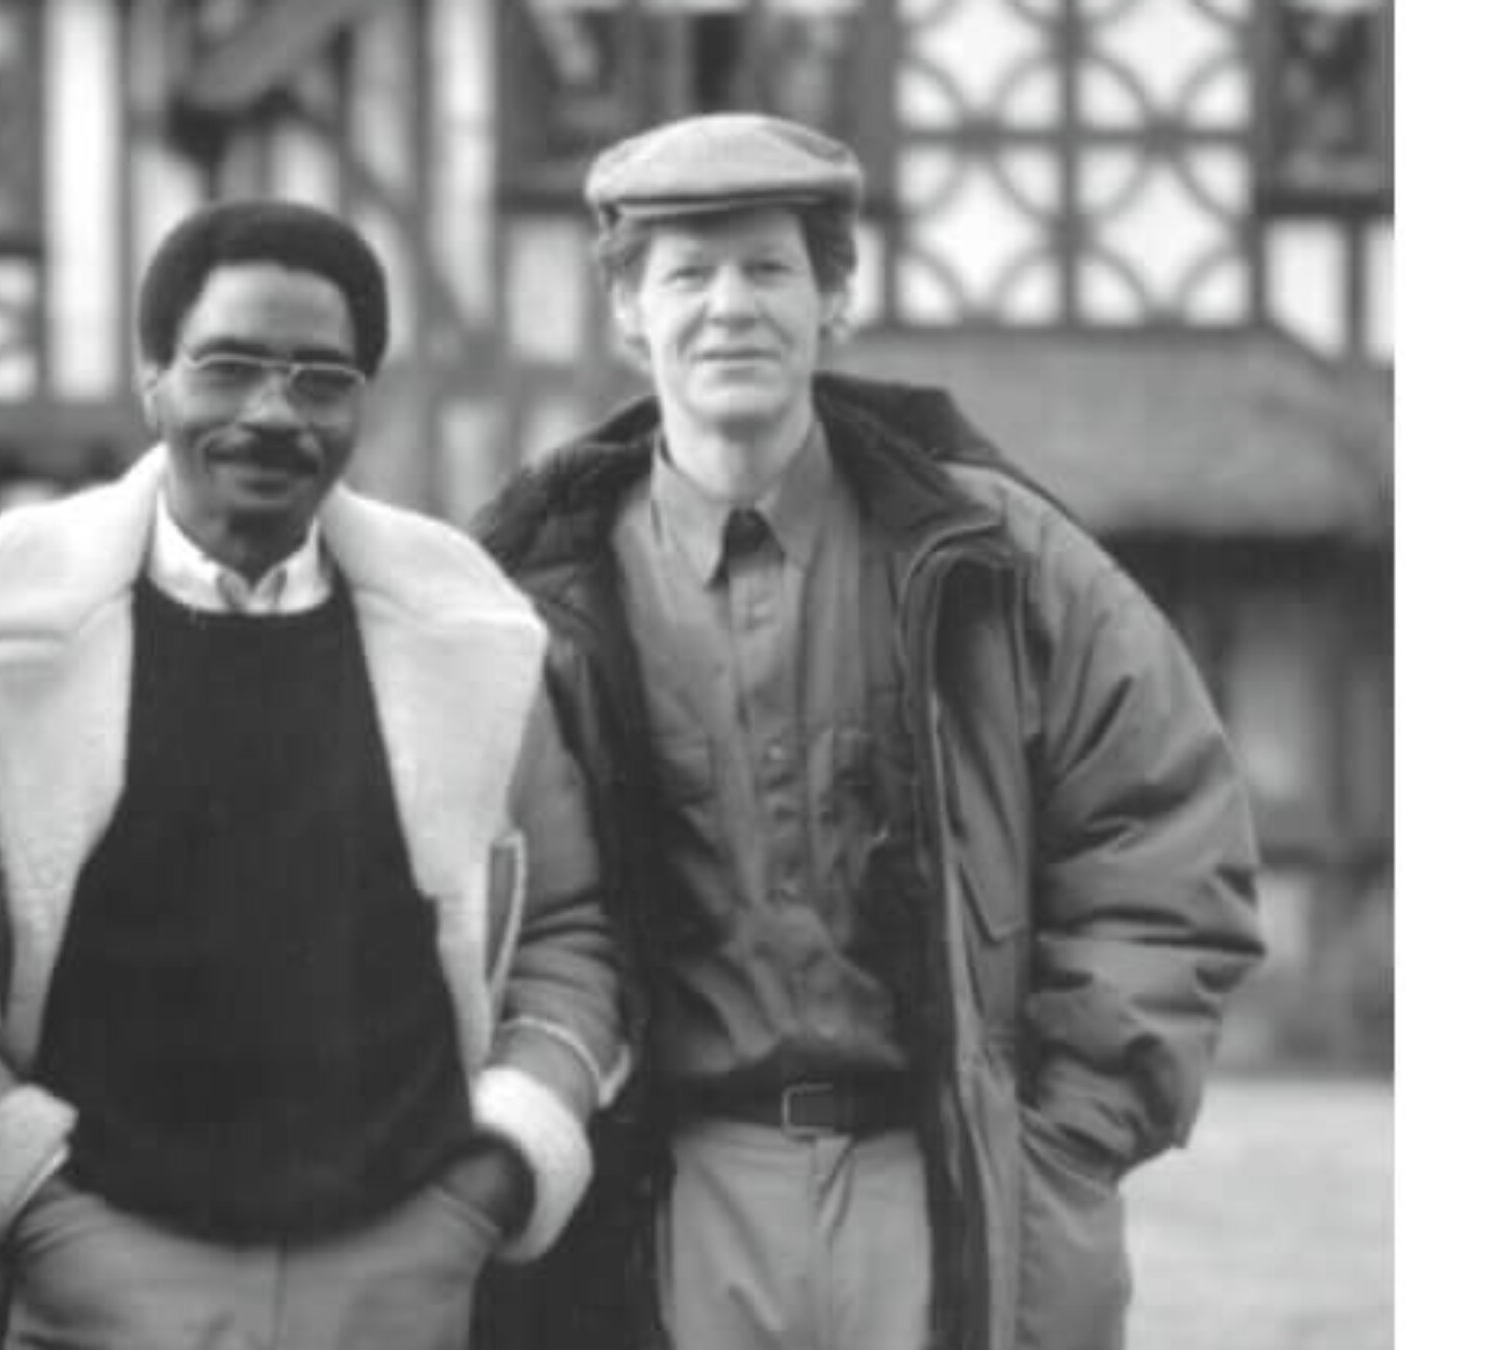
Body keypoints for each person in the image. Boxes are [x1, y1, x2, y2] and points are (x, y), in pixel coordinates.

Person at [470, 113, 1266, 1350]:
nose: (730, 306)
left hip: (944, 1178)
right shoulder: (538, 598)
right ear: (629, 311)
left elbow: (1165, 835)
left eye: (769, 268)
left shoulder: (992, 553)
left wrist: (1060, 1142)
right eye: (687, 273)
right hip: (680, 1197)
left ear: (835, 295)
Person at [0, 199, 628, 1350]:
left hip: (392, 1284)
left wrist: (481, 1189)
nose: (272, 413)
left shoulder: (473, 642)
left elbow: (568, 931)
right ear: (153, 379)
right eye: (230, 366)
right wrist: (36, 1213)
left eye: (320, 378)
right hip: (94, 1288)